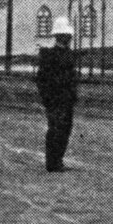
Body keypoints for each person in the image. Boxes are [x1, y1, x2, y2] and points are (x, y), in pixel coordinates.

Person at [34, 17, 77, 172]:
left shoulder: (69, 54)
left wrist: (72, 95)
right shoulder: (49, 55)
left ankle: (58, 160)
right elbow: (41, 79)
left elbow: (71, 78)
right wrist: (47, 98)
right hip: (55, 99)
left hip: (67, 99)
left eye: (69, 36)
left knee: (65, 129)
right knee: (56, 129)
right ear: (60, 36)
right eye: (67, 36)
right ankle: (52, 163)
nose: (69, 38)